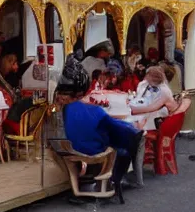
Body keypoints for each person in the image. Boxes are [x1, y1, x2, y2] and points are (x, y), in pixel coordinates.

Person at [56, 57, 143, 202]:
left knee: (112, 131)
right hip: (91, 149)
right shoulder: (93, 110)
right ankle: (118, 180)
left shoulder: (62, 110)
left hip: (69, 149)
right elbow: (115, 127)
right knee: (127, 142)